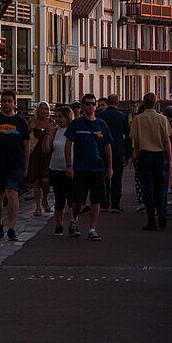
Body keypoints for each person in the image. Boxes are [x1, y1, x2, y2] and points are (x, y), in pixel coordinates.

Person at [0, 89, 30, 241]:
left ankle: (11, 228)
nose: (7, 104)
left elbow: (26, 146)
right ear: (0, 103)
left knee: (12, 192)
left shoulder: (21, 122)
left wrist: (26, 166)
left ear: (15, 103)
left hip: (15, 164)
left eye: (10, 101)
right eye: (4, 101)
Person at [65, 93, 113, 240]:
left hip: (98, 167)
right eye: (87, 104)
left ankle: (92, 229)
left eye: (93, 104)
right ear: (83, 105)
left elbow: (107, 146)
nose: (90, 107)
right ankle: (74, 220)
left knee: (96, 200)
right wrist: (69, 165)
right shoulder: (76, 124)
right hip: (80, 167)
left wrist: (110, 167)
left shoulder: (101, 124)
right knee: (78, 201)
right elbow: (68, 144)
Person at [130, 93, 172, 231]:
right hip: (159, 155)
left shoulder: (138, 119)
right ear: (156, 102)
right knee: (160, 186)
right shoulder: (162, 119)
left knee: (147, 188)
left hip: (144, 155)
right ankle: (161, 212)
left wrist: (137, 156)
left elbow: (135, 141)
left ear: (143, 102)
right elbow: (167, 141)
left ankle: (151, 220)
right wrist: (169, 159)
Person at [98, 93, 131, 213]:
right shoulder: (122, 117)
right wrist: (128, 155)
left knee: (103, 177)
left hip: (102, 151)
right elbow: (127, 136)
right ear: (118, 103)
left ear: (108, 102)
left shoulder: (100, 116)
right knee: (117, 178)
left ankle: (104, 202)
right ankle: (115, 204)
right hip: (118, 151)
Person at [47, 106, 74, 235]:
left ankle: (73, 223)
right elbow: (46, 149)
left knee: (72, 199)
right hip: (56, 168)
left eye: (60, 117)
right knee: (59, 198)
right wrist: (50, 133)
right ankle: (59, 225)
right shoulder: (56, 130)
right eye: (56, 116)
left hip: (70, 169)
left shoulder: (73, 131)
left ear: (67, 118)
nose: (57, 119)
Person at [23, 102, 54, 216]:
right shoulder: (32, 122)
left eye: (46, 109)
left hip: (47, 154)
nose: (44, 111)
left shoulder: (51, 123)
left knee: (45, 180)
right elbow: (26, 137)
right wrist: (30, 129)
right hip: (35, 153)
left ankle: (44, 199)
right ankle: (37, 207)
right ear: (38, 110)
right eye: (42, 109)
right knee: (36, 180)